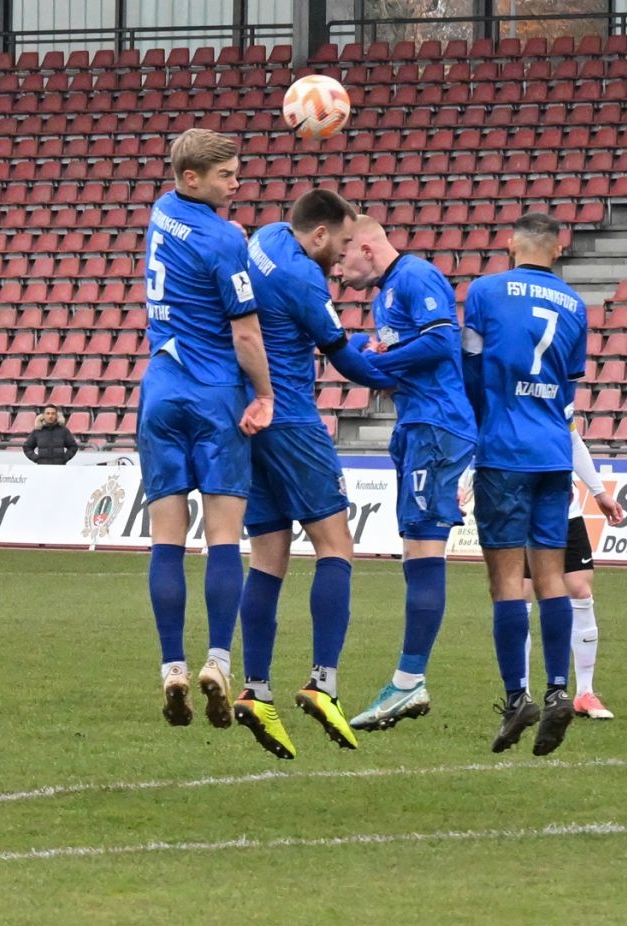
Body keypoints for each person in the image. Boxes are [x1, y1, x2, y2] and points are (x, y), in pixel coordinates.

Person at [231, 189, 396, 759]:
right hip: (292, 418)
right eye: (343, 242)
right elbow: (344, 360)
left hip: (250, 416)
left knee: (267, 558)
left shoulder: (267, 237)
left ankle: (256, 689)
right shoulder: (304, 280)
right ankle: (323, 682)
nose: (345, 254)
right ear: (320, 234)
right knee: (336, 546)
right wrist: (398, 372)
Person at [137, 128, 276, 732]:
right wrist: (265, 394)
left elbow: (194, 238)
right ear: (192, 178)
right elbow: (245, 334)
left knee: (166, 539)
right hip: (215, 393)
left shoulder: (161, 211)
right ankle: (218, 660)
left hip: (160, 390)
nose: (237, 183)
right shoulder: (223, 241)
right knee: (223, 537)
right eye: (226, 175)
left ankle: (172, 667)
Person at [332, 216, 478, 731]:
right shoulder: (385, 295)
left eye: (342, 259)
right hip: (416, 424)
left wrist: (380, 356)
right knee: (416, 550)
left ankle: (410, 681)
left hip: (437, 426)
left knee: (424, 549)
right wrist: (361, 355)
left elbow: (441, 343)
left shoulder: (415, 276)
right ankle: (408, 680)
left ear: (367, 249)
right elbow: (400, 368)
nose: (338, 270)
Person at [460, 212, 589, 756]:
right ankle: (559, 689)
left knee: (507, 581)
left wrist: (481, 420)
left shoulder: (484, 292)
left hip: (504, 450)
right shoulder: (575, 305)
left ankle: (518, 696)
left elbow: (470, 368)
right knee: (551, 576)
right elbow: (569, 390)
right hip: (553, 453)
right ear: (557, 250)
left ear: (510, 244)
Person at [523, 424, 624, 717]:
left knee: (580, 589)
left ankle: (585, 693)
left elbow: (574, 442)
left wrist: (599, 492)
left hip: (566, 512)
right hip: (519, 511)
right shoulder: (507, 401)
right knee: (520, 596)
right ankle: (520, 694)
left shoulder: (560, 402)